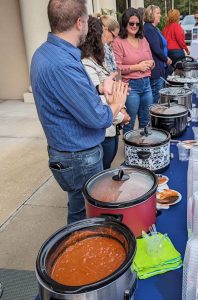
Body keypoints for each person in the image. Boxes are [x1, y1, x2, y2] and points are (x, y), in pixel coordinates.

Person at [30, 0, 128, 224]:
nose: (89, 27)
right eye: (86, 22)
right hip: (78, 157)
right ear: (78, 23)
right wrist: (116, 103)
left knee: (79, 208)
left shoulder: (44, 53)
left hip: (67, 153)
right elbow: (98, 118)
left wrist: (98, 88)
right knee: (84, 218)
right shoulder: (63, 63)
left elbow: (64, 97)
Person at [81, 16, 130, 169]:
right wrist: (122, 116)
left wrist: (122, 106)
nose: (109, 41)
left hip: (111, 125)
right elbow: (99, 100)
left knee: (107, 166)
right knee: (103, 171)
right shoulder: (87, 64)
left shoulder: (97, 61)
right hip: (104, 130)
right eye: (104, 34)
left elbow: (113, 89)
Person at [112, 7, 154, 133]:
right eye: (131, 23)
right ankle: (130, 152)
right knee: (129, 122)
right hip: (130, 86)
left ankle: (143, 149)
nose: (135, 26)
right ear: (125, 23)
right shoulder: (118, 42)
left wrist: (151, 63)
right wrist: (137, 67)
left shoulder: (143, 39)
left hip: (147, 84)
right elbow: (116, 69)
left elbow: (152, 61)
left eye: (137, 23)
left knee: (146, 121)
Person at [144, 5, 172, 104]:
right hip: (156, 70)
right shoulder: (149, 29)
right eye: (158, 13)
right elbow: (156, 49)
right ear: (151, 14)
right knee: (155, 100)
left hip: (160, 67)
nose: (160, 15)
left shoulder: (154, 28)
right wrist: (166, 59)